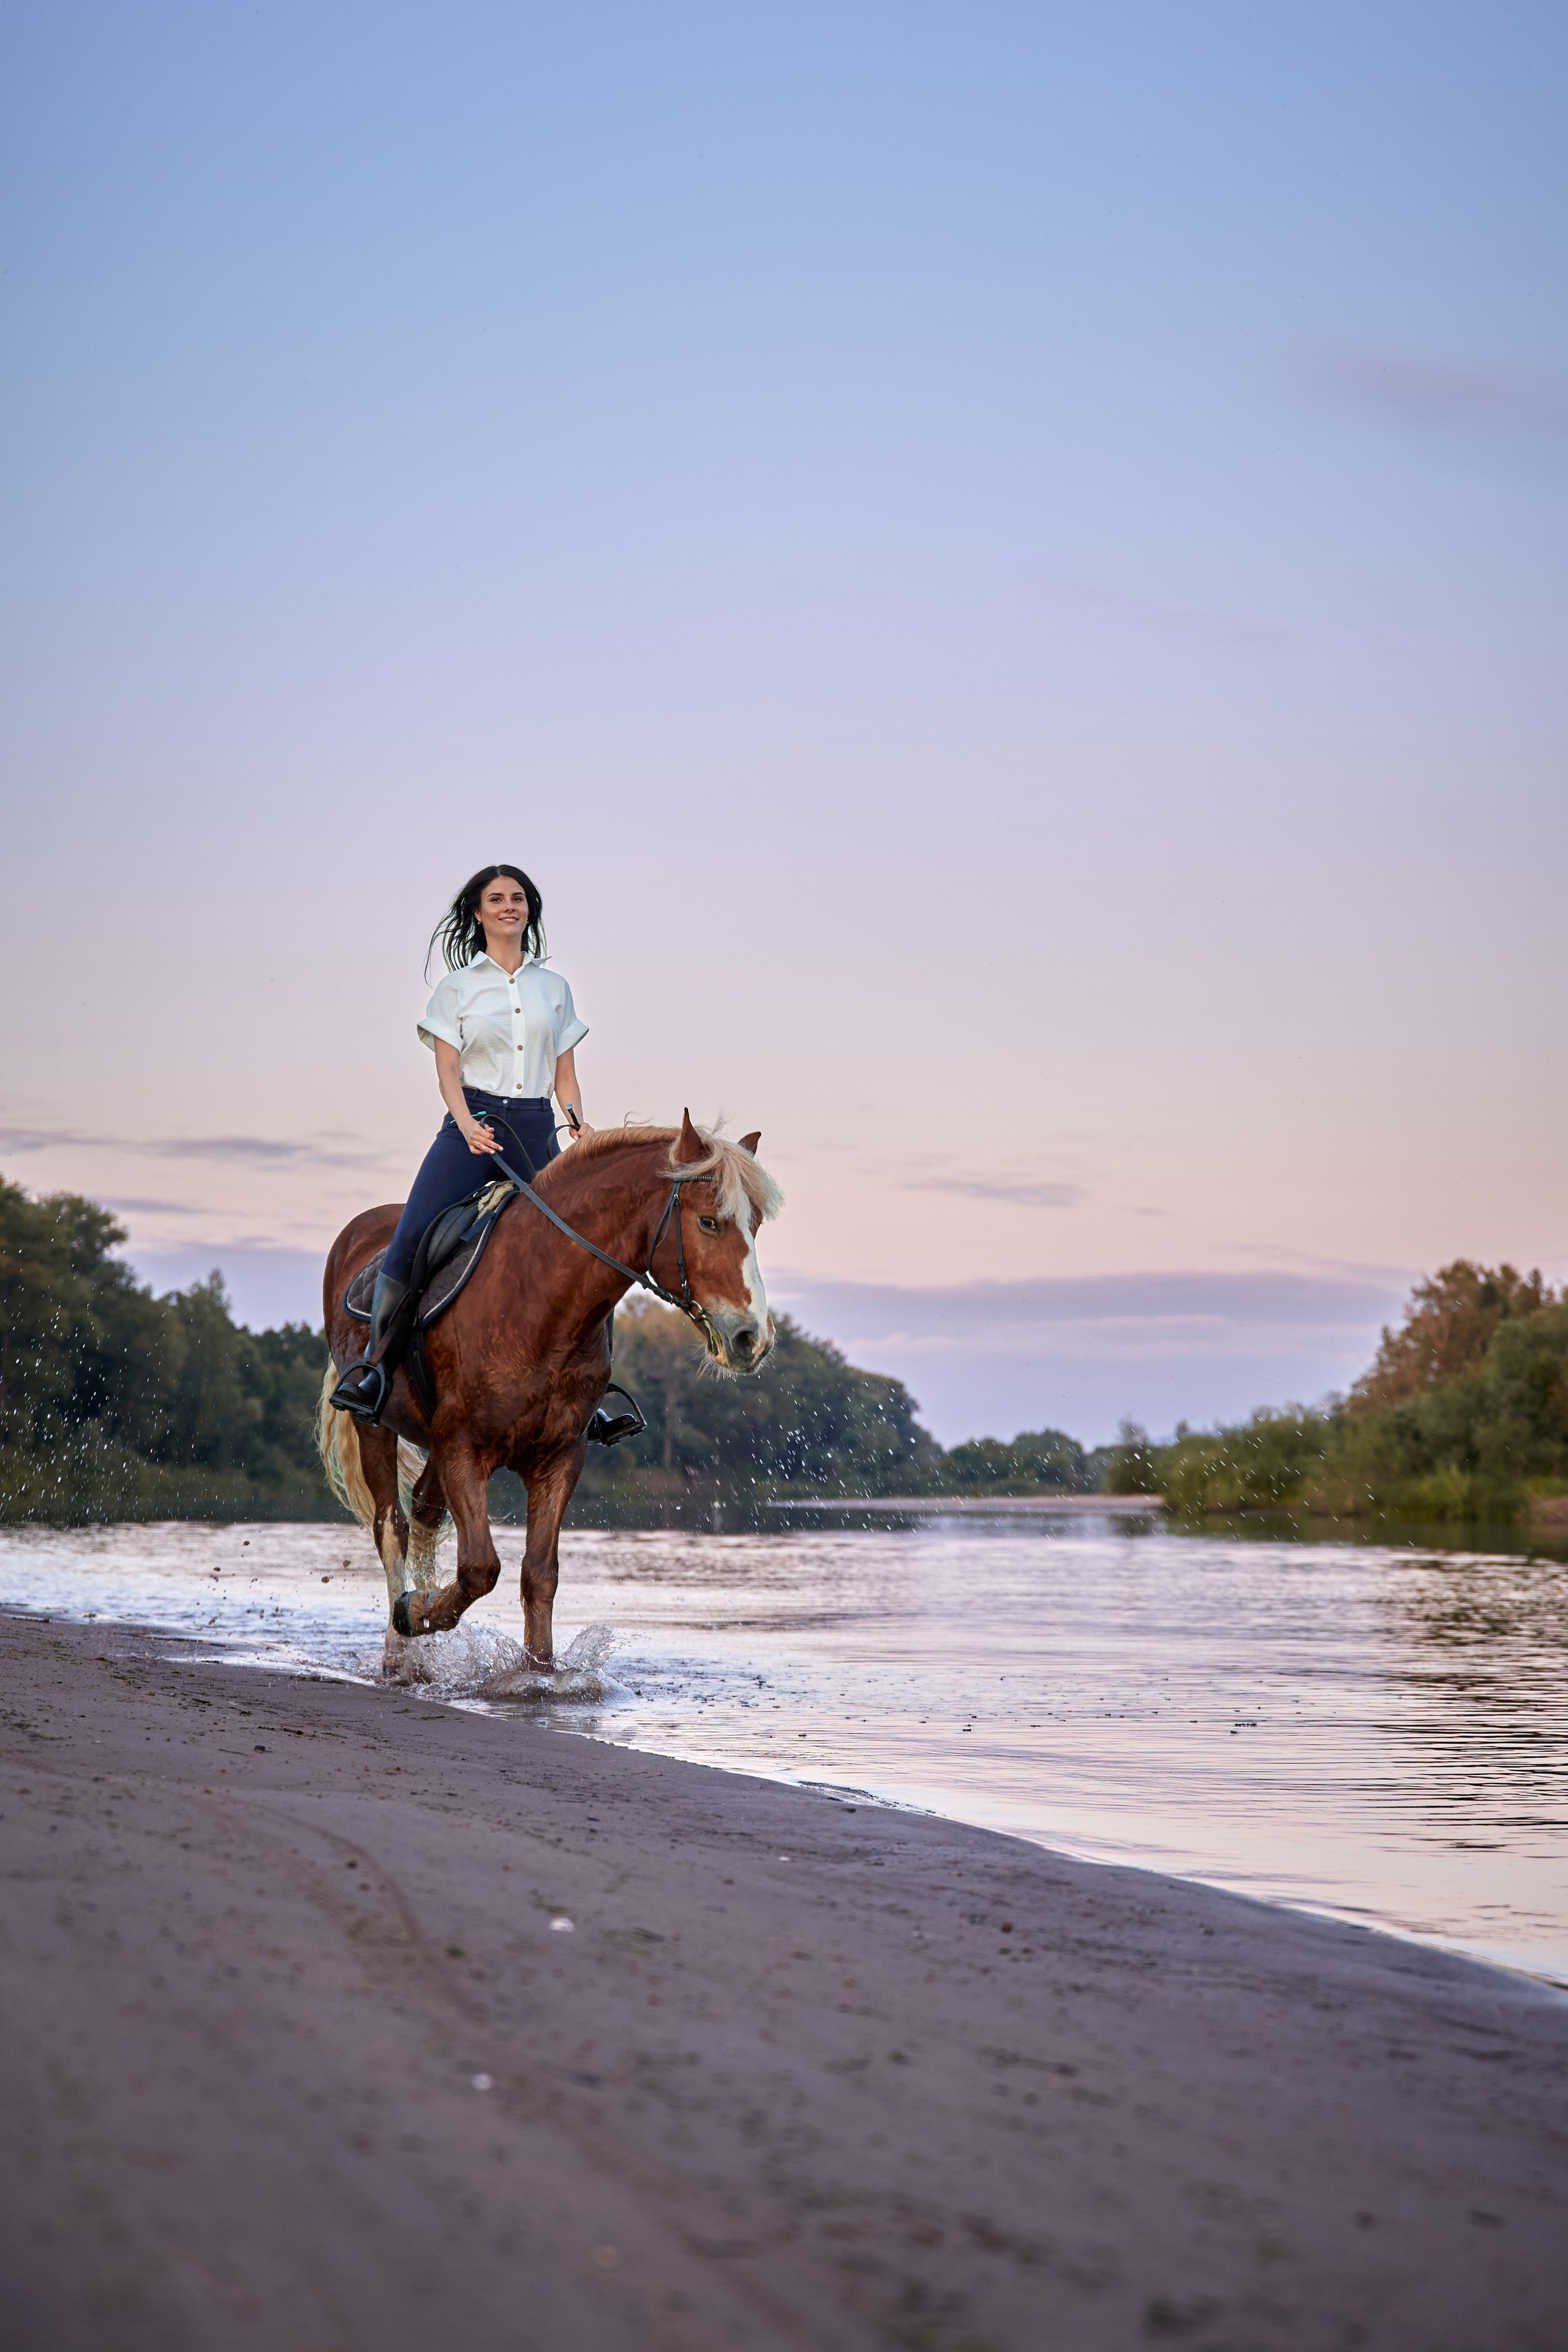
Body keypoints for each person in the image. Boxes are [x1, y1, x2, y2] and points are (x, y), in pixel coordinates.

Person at [330, 863, 591, 1425]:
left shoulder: (555, 988)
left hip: (535, 1128)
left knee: (583, 1247)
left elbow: (564, 1076)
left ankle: (588, 1392)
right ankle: (375, 1370)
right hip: (471, 1126)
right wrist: (467, 1123)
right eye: (496, 899)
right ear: (477, 913)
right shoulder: (458, 989)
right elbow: (447, 1071)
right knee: (410, 1238)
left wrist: (576, 1123)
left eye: (518, 898)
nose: (508, 907)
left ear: (530, 909)